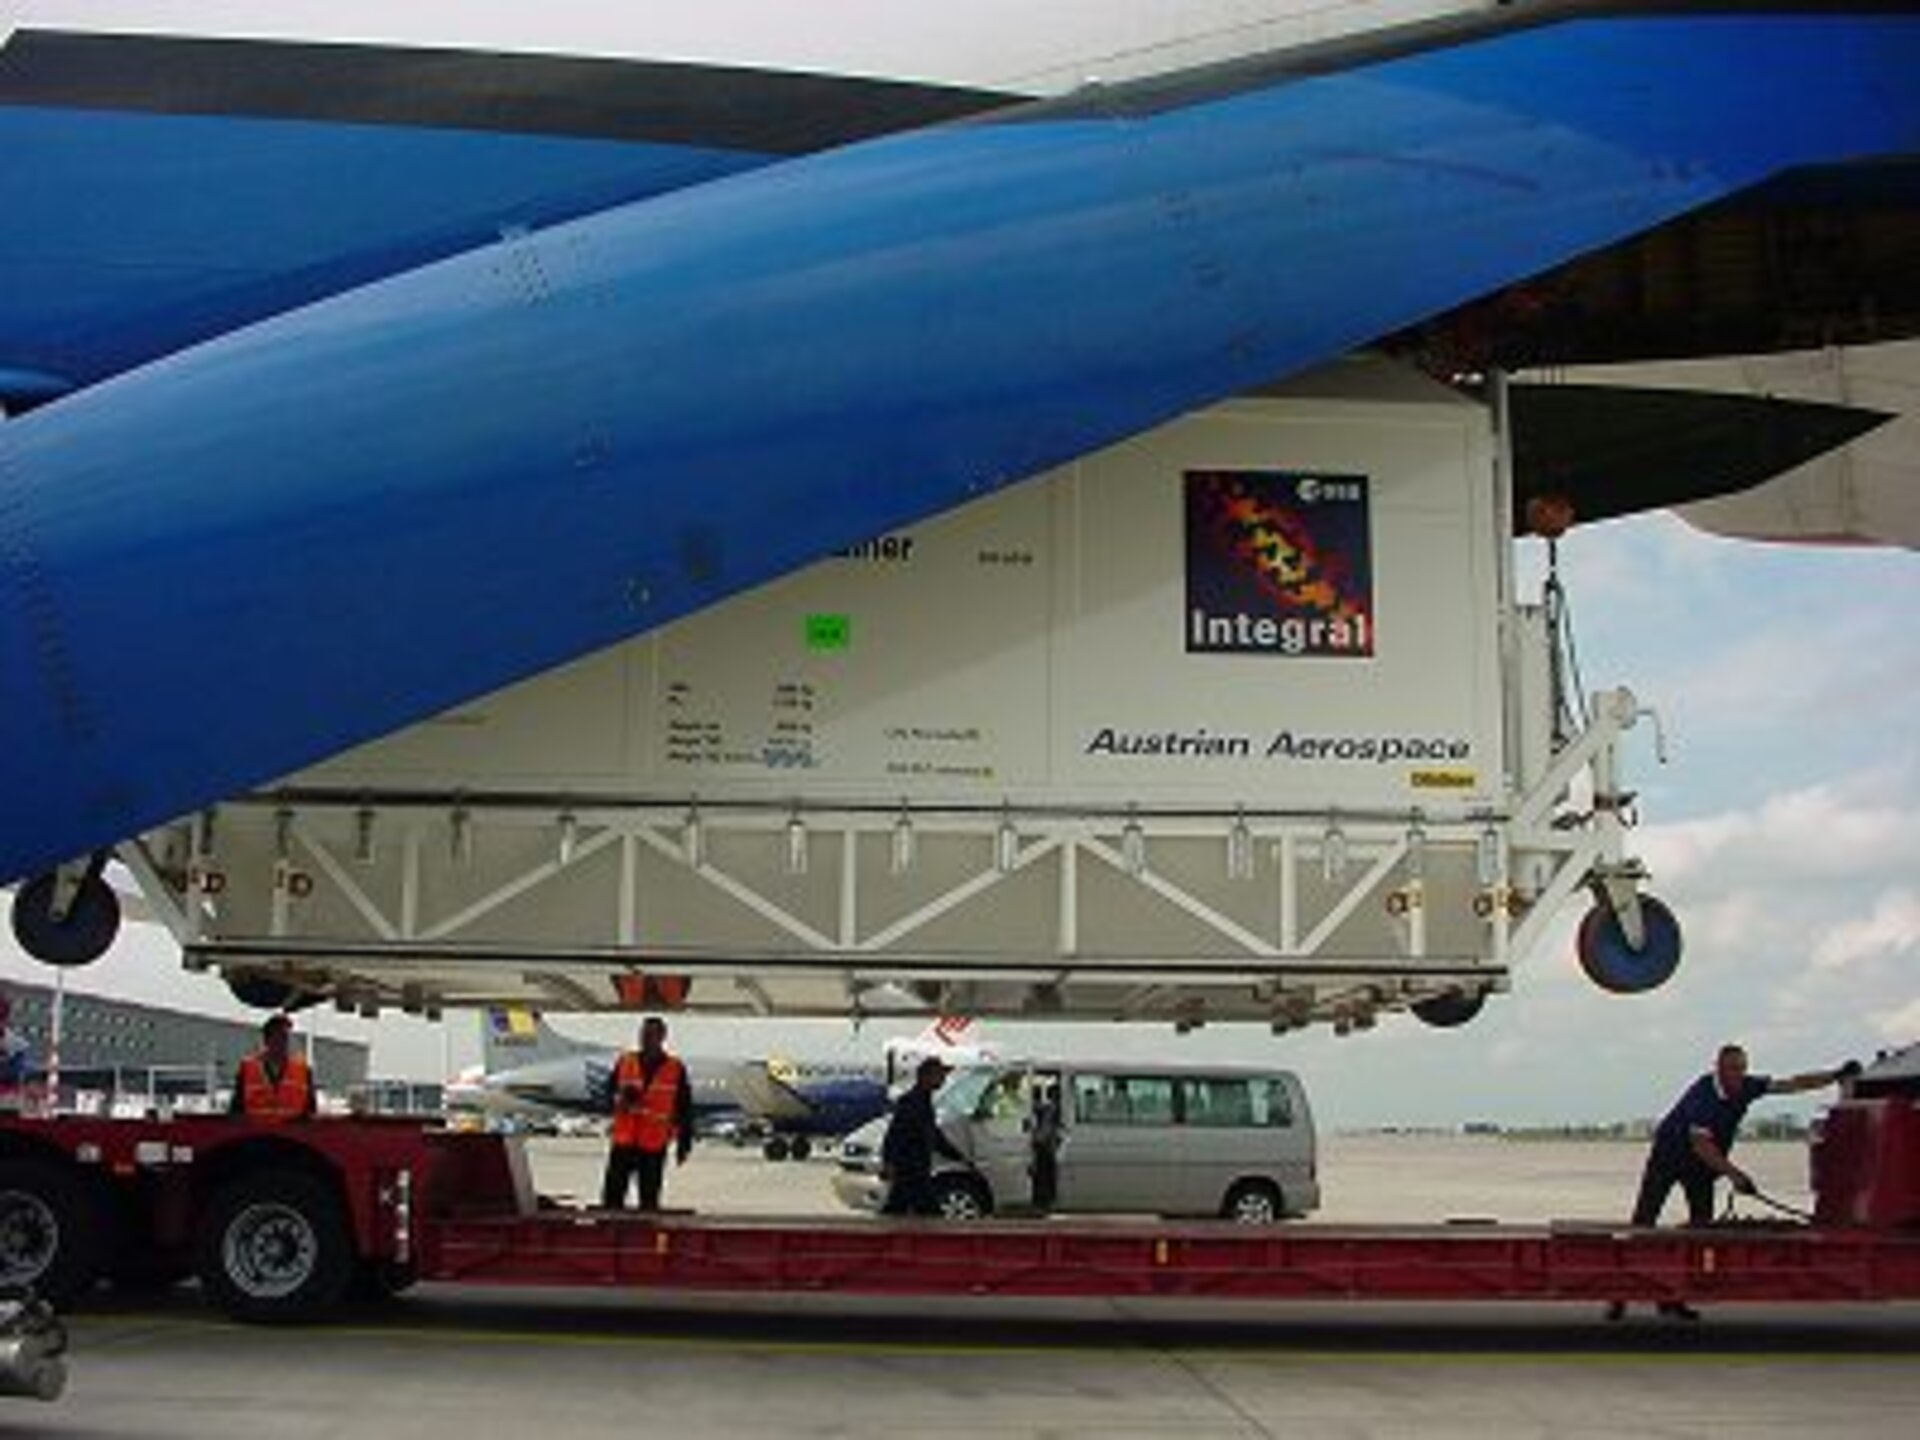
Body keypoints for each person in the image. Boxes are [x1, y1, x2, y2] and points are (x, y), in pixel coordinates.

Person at [1610, 1043, 1859, 1320]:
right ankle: (1617, 1295)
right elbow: (1701, 1144)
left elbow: (1791, 1084)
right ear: (1718, 1068)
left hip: (1701, 1168)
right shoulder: (1704, 1094)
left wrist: (1834, 1075)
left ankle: (1673, 1299)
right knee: (1644, 1223)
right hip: (1668, 1158)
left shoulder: (1747, 1086)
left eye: (1742, 1069)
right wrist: (1734, 1175)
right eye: (1732, 1069)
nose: (1738, 1075)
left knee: (1700, 1229)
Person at [601, 1015, 693, 1212]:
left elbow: (684, 1107)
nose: (644, 1038)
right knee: (612, 1196)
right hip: (624, 1141)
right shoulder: (626, 1061)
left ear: (662, 1037)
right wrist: (619, 1099)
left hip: (653, 1143)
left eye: (650, 1034)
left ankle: (646, 1237)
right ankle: (608, 1235)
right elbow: (608, 1093)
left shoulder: (675, 1068)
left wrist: (684, 1143)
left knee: (649, 1199)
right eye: (642, 1034)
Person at [880, 1056, 967, 1216]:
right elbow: (894, 1135)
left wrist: (956, 1155)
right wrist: (888, 1162)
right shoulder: (911, 1102)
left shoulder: (924, 1102)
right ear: (926, 1076)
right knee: (927, 1212)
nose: (943, 1079)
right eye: (940, 1075)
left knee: (898, 1210)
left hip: (918, 1170)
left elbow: (934, 1136)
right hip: (909, 1170)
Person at [229, 1013, 316, 1120]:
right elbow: (236, 1112)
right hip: (257, 1134)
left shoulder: (303, 1071)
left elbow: (311, 1114)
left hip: (290, 1135)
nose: (283, 1042)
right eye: (279, 1036)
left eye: (286, 1037)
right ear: (267, 1040)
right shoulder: (248, 1069)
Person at [1028, 1076, 1061, 1211]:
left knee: (1042, 1174)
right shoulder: (1049, 1108)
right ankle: (1045, 1200)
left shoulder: (1048, 1108)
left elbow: (1044, 1131)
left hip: (1044, 1145)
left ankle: (1042, 1201)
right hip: (1047, 1145)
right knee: (1046, 1174)